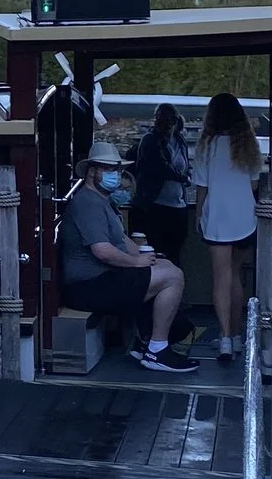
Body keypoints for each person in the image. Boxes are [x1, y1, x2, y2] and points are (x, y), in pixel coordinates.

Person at [58, 142, 194, 373]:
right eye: (109, 169)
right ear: (92, 171)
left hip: (101, 280)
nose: (117, 175)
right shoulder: (88, 204)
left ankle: (147, 340)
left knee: (166, 266)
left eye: (118, 170)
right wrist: (137, 262)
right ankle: (156, 350)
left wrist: (147, 257)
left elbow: (121, 240)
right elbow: (102, 250)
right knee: (173, 277)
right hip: (87, 287)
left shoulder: (102, 201)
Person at [193, 93, 263, 366]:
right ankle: (236, 336)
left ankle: (223, 339)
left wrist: (199, 214)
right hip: (246, 217)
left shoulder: (207, 146)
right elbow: (255, 185)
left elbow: (202, 187)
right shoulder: (248, 145)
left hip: (218, 219)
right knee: (235, 276)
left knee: (220, 277)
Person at [129, 103, 194, 265]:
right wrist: (183, 178)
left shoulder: (180, 141)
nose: (162, 122)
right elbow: (160, 167)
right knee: (153, 253)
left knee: (174, 254)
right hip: (153, 206)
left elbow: (186, 164)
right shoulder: (149, 140)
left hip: (177, 207)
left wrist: (188, 174)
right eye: (159, 117)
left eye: (166, 118)